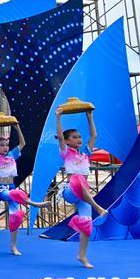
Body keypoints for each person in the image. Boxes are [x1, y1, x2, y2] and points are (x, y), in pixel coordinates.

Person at [0, 123, 46, 255]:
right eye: (2, 145)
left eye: (6, 145)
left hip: (12, 187)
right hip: (1, 189)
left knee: (15, 217)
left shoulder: (11, 155)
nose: (5, 147)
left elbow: (22, 144)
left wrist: (17, 128)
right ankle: (34, 203)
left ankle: (13, 246)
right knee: (15, 194)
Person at [55, 108, 105, 268]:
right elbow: (60, 137)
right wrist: (58, 118)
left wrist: (90, 117)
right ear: (67, 141)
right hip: (70, 190)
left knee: (87, 224)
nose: (79, 139)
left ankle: (82, 255)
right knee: (78, 179)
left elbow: (94, 136)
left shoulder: (84, 153)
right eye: (74, 137)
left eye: (79, 137)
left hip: (83, 194)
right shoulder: (65, 152)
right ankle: (97, 207)